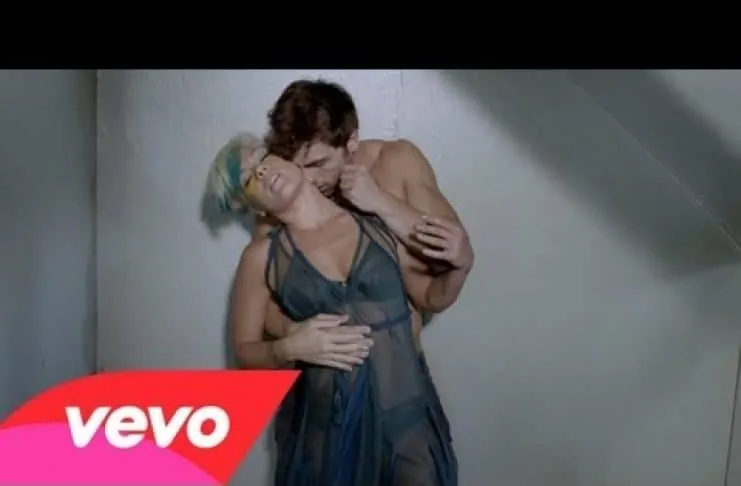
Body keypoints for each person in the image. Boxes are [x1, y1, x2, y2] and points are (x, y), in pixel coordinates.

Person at [206, 133, 464, 485]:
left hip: (407, 424)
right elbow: (244, 352)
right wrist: (288, 347)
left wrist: (462, 266)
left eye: (262, 158)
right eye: (248, 178)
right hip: (327, 437)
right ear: (253, 207)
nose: (262, 171)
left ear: (288, 158)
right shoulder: (261, 257)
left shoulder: (375, 220)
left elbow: (432, 295)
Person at [257, 79, 475, 363]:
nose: (307, 180)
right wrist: (295, 333)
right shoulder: (285, 193)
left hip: (396, 371)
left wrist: (379, 201)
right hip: (321, 375)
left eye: (318, 164)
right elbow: (260, 303)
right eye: (298, 167)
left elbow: (443, 272)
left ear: (351, 141)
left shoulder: (395, 162)